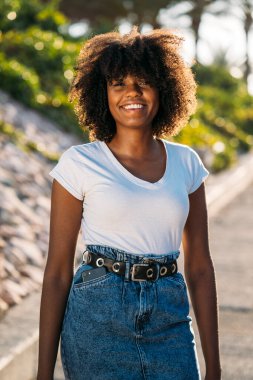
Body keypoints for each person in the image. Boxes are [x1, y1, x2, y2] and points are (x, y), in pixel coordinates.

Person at [37, 26, 221, 380]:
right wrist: (44, 372)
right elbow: (58, 272)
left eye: (144, 82)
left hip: (169, 318)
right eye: (118, 83)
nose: (132, 93)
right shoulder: (79, 164)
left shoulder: (186, 164)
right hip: (97, 315)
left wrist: (214, 365)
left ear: (164, 88)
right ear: (102, 92)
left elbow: (199, 266)